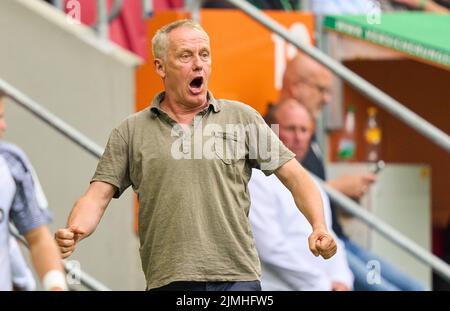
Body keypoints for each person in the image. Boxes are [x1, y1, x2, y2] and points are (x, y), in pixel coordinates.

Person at [54, 19, 337, 291]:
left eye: (204, 54)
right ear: (160, 67)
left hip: (237, 279)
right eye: (186, 55)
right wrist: (75, 229)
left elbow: (297, 178)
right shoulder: (131, 131)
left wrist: (319, 226)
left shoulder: (242, 118)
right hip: (168, 280)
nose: (198, 63)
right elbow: (97, 195)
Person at [279, 53, 425, 290]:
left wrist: (342, 196)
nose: (327, 99)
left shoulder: (309, 131)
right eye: (321, 89)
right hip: (312, 248)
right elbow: (277, 194)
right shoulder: (269, 131)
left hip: (338, 239)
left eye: (302, 130)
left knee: (415, 286)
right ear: (296, 87)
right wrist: (336, 190)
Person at [249, 99, 354, 291]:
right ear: (270, 131)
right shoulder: (256, 179)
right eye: (290, 128)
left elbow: (331, 236)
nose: (298, 137)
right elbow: (271, 248)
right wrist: (322, 285)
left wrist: (342, 279)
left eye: (304, 130)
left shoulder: (311, 182)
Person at [0, 91, 67, 291]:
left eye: (2, 117)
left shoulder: (11, 163)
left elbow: (38, 237)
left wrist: (55, 285)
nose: (4, 126)